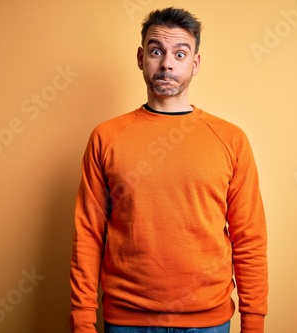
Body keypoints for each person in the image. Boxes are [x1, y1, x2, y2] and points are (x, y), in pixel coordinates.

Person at [69, 7, 268, 333]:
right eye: (156, 51)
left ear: (196, 63)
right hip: (126, 321)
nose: (167, 64)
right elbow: (88, 235)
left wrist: (254, 322)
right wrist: (81, 322)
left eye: (180, 53)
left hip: (210, 321)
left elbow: (249, 238)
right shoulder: (106, 137)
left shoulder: (231, 139)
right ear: (140, 57)